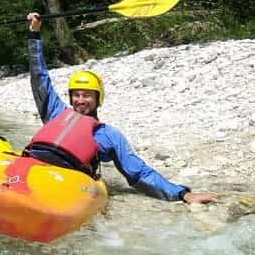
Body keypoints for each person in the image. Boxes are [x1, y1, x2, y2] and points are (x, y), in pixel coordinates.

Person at [23, 12, 217, 204]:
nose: (80, 100)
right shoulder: (56, 112)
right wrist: (34, 34)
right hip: (35, 169)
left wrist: (183, 194)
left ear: (98, 99)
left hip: (68, 183)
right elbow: (39, 76)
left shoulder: (109, 135)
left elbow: (138, 171)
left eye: (87, 95)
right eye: (76, 95)